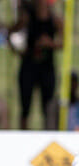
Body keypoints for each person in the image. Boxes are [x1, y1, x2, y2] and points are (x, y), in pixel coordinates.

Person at [9, 0, 62, 130]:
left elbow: (63, 42)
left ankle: (48, 135)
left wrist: (50, 44)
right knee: (25, 106)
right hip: (29, 67)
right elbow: (10, 32)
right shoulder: (27, 18)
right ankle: (23, 135)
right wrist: (17, 51)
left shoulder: (55, 20)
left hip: (47, 68)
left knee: (47, 108)